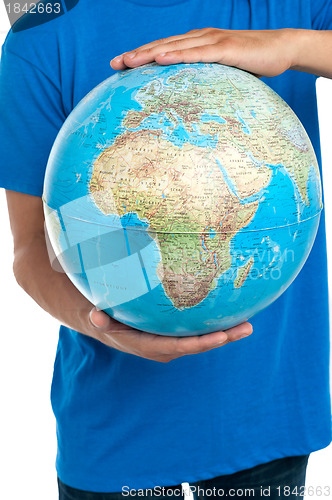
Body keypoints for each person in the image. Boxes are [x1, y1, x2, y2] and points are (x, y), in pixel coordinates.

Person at [0, 0, 331, 499]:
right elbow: (29, 252)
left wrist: (292, 46)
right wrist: (112, 334)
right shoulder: (43, 38)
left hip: (266, 416)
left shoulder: (288, 5)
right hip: (117, 439)